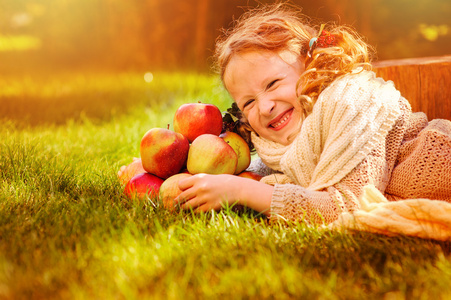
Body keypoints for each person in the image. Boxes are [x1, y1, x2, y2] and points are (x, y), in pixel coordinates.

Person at [122, 3, 451, 225]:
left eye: (273, 83)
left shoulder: (351, 102)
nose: (264, 107)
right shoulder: (281, 146)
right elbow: (255, 167)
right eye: (248, 102)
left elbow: (347, 206)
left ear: (310, 67)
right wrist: (162, 171)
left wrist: (243, 192)